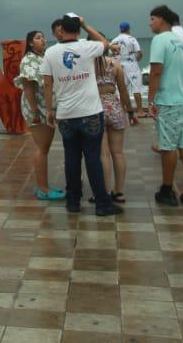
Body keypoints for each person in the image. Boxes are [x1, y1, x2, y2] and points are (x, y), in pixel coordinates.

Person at [41, 14, 120, 217]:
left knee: (71, 158)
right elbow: (105, 43)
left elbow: (48, 84)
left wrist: (50, 110)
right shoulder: (87, 46)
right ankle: (102, 203)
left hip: (66, 114)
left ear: (60, 30)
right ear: (78, 30)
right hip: (91, 113)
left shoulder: (50, 53)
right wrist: (86, 24)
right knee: (93, 158)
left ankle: (73, 201)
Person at [148, 5, 183, 209]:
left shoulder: (159, 40)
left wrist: (151, 100)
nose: (150, 23)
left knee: (168, 147)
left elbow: (156, 71)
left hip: (169, 101)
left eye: (152, 19)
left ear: (162, 20)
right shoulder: (180, 42)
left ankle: (166, 190)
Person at [14, 30, 62, 201]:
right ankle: (43, 188)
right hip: (37, 109)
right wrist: (34, 111)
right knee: (42, 148)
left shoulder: (44, 57)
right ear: (30, 43)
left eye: (43, 37)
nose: (43, 40)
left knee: (45, 148)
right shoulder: (28, 60)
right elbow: (28, 87)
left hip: (45, 107)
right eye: (38, 38)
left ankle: (44, 185)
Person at [96, 51, 136, 205]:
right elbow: (123, 90)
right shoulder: (115, 64)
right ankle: (118, 192)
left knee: (103, 154)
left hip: (96, 107)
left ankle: (104, 192)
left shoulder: (88, 64)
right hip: (114, 106)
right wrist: (130, 111)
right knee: (118, 152)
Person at [111, 22, 145, 116]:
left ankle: (122, 111)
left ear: (120, 29)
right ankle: (140, 111)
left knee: (122, 89)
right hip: (132, 66)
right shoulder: (132, 39)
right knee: (136, 88)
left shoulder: (114, 40)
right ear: (129, 29)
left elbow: (111, 54)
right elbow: (139, 52)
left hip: (119, 67)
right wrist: (138, 58)